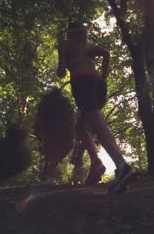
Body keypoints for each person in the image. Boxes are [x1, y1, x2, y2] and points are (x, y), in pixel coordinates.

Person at [57, 22, 135, 194]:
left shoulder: (65, 44)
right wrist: (103, 77)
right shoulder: (90, 45)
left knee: (97, 123)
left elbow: (61, 69)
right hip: (98, 82)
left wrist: (63, 69)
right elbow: (106, 54)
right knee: (81, 127)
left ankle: (122, 165)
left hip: (82, 81)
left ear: (70, 33)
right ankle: (96, 163)